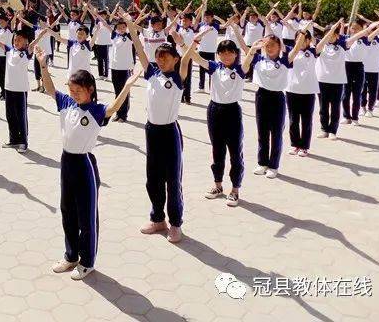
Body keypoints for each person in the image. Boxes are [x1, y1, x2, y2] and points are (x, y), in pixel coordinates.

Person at [37, 48, 138, 281]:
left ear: (89, 90)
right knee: (67, 211)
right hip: (66, 161)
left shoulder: (95, 110)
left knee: (87, 216)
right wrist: (43, 66)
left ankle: (87, 261)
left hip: (84, 164)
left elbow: (113, 108)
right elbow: (51, 90)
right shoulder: (67, 104)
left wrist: (127, 86)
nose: (73, 94)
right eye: (72, 90)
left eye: (78, 91)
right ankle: (71, 255)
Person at [129, 27, 196, 244]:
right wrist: (131, 26)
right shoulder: (151, 74)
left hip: (169, 132)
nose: (161, 61)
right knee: (153, 178)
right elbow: (139, 50)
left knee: (172, 180)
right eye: (158, 57)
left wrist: (187, 42)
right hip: (152, 131)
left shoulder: (177, 78)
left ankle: (176, 224)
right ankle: (158, 219)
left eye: (165, 57)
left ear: (174, 60)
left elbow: (186, 58)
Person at [187, 28, 250, 205]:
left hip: (232, 112)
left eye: (230, 53)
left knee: (235, 152)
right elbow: (194, 56)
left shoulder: (240, 69)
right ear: (218, 55)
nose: (226, 56)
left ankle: (235, 189)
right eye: (222, 53)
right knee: (217, 150)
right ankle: (218, 185)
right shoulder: (214, 67)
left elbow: (249, 56)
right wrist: (192, 41)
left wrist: (251, 48)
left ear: (236, 55)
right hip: (214, 110)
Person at [0, 27, 49, 152]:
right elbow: (0, 44)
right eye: (15, 40)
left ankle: (23, 142)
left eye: (19, 40)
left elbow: (34, 42)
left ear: (25, 42)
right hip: (8, 88)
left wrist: (41, 35)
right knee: (10, 115)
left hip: (20, 89)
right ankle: (13, 140)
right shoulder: (10, 50)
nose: (16, 42)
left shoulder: (27, 52)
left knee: (21, 116)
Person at [247, 35, 290, 175]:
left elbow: (295, 50)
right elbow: (244, 48)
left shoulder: (284, 60)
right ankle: (262, 163)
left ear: (279, 46)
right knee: (262, 131)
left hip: (277, 97)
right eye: (266, 45)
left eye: (272, 45)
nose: (269, 48)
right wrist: (236, 30)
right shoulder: (259, 59)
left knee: (276, 132)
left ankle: (273, 166)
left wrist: (301, 34)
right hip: (261, 96)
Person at [285, 31, 319, 161]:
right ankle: (295, 144)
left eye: (304, 39)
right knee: (293, 119)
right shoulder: (290, 51)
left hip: (308, 91)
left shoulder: (313, 51)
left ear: (309, 40)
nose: (301, 41)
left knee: (306, 120)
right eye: (298, 39)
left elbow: (323, 41)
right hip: (292, 89)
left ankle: (304, 146)